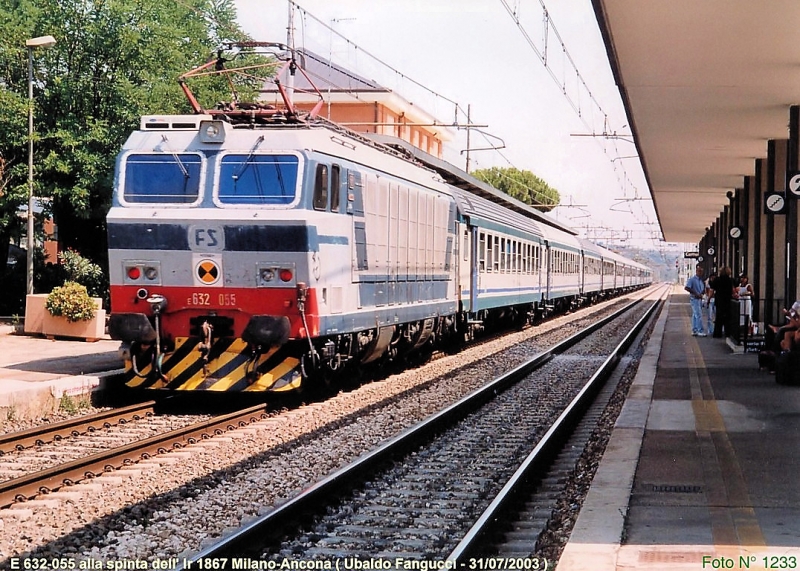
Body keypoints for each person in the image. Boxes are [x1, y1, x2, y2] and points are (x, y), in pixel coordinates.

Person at [712, 266, 736, 338]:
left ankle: (717, 333)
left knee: (719, 317)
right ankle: (728, 333)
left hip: (719, 300)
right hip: (728, 300)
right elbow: (733, 290)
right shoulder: (730, 280)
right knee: (728, 318)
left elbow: (713, 288)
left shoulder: (717, 280)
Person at [684, 264, 707, 336]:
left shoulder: (701, 280)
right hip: (694, 299)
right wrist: (696, 293)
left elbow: (702, 289)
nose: (701, 273)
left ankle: (694, 330)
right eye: (700, 271)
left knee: (695, 315)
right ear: (696, 271)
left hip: (699, 299)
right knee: (699, 315)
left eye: (702, 272)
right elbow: (687, 287)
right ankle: (700, 330)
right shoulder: (692, 279)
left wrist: (702, 292)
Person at [705, 271, 717, 336]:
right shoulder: (708, 284)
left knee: (716, 316)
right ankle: (710, 330)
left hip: (714, 301)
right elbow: (707, 292)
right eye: (711, 278)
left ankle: (714, 329)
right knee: (709, 317)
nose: (712, 279)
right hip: (710, 301)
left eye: (714, 278)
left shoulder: (716, 284)